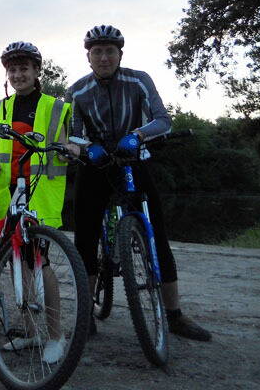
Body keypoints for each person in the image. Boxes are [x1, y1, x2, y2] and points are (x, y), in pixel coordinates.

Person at [65, 24, 211, 341]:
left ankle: (174, 315)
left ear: (120, 54)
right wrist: (89, 148)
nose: (104, 57)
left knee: (156, 234)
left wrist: (137, 135)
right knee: (85, 239)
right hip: (97, 164)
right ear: (88, 57)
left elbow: (163, 120)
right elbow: (71, 135)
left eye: (110, 51)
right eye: (97, 52)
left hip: (133, 159)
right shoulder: (76, 91)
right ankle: (84, 314)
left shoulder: (139, 80)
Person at [0, 41, 73, 363]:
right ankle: (31, 332)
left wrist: (69, 150)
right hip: (10, 192)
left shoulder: (54, 106)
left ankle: (56, 336)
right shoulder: (2, 107)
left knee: (40, 263)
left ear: (36, 72)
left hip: (40, 194)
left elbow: (64, 143)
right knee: (16, 261)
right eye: (13, 69)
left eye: (24, 69)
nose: (18, 74)